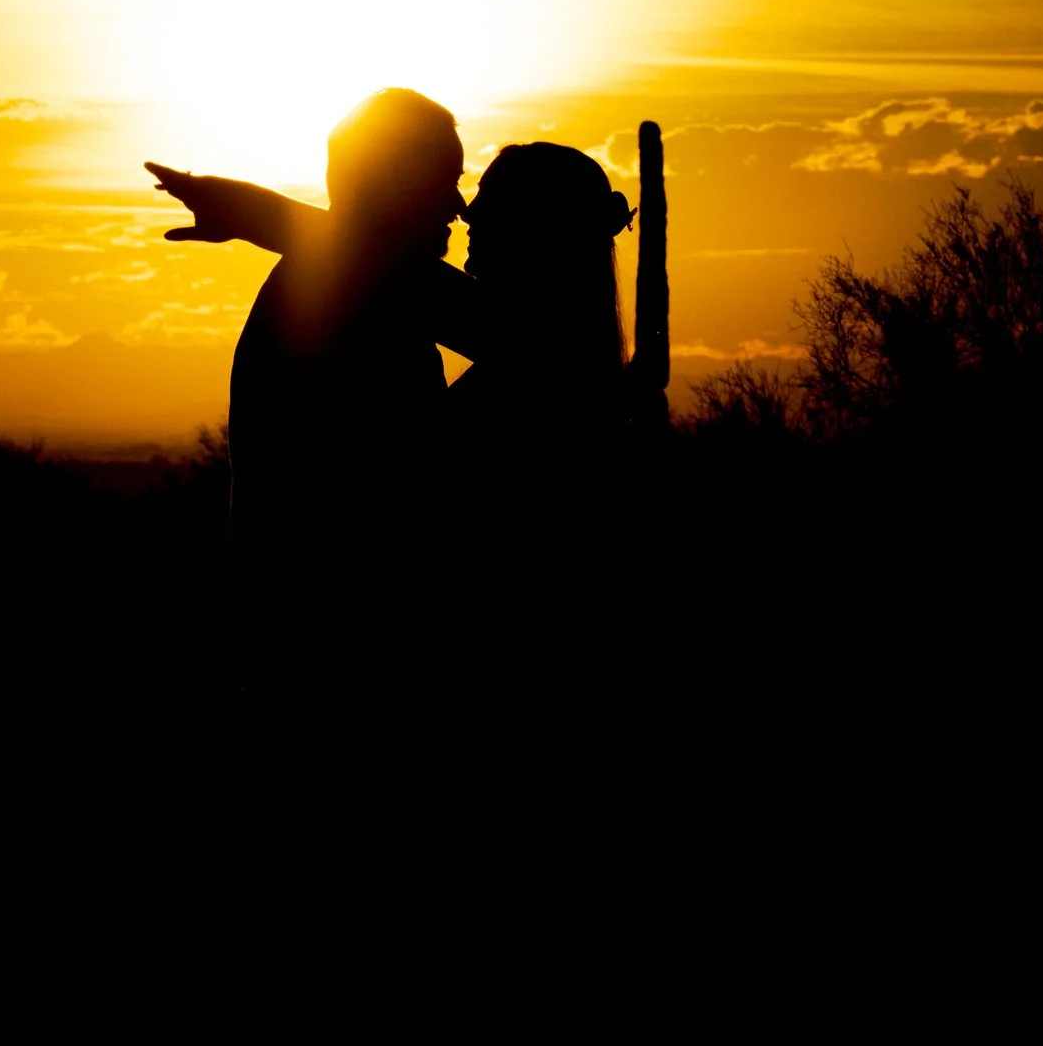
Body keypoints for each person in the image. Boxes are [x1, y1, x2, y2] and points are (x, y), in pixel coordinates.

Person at [150, 136, 662, 578]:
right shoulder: (553, 349)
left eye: (491, 197)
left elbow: (383, 266)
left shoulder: (539, 350)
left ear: (538, 229)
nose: (466, 210)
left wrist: (246, 209)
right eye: (455, 183)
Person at [148, 89, 467, 690]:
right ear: (394, 186)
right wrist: (264, 216)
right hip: (328, 651)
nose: (458, 205)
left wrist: (264, 216)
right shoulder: (338, 297)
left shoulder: (351, 285)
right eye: (443, 181)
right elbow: (500, 330)